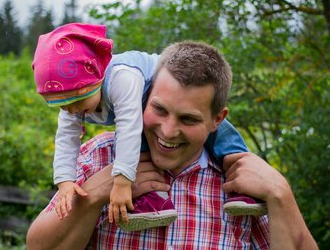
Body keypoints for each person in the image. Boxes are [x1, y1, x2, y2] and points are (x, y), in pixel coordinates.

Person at [27, 41, 318, 249]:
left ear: (218, 119)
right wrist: (94, 195)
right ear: (145, 94)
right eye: (160, 109)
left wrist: (281, 195)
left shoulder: (243, 185)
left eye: (188, 119)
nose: (168, 131)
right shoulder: (98, 156)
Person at [32, 23, 254, 231]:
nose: (71, 111)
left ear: (95, 81)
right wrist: (65, 181)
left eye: (75, 102)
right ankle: (153, 197)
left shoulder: (121, 79)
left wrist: (121, 182)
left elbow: (128, 127)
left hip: (166, 89)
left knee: (217, 130)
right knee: (146, 139)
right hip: (144, 109)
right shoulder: (71, 102)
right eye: (60, 105)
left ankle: (243, 180)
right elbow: (65, 138)